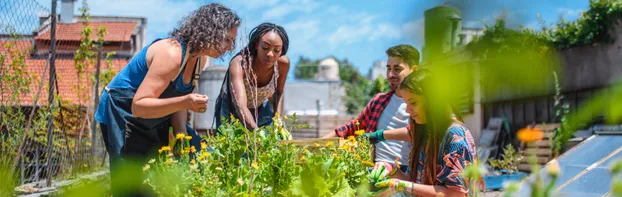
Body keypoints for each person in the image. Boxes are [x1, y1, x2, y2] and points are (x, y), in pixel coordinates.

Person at [93, 3, 240, 196]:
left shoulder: (199, 61)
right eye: (227, 40)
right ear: (211, 30)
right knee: (132, 187)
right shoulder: (172, 54)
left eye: (232, 42)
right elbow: (139, 106)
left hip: (154, 115)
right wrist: (186, 102)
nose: (230, 47)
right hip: (123, 113)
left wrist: (181, 137)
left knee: (196, 156)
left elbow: (176, 99)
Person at [368, 69, 479, 197]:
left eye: (413, 103)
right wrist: (392, 170)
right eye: (406, 103)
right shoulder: (424, 133)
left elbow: (456, 194)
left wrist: (402, 185)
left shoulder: (456, 137)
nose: (408, 110)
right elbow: (416, 184)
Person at [323, 44, 420, 184]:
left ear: (414, 70)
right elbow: (353, 127)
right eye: (388, 69)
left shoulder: (422, 103)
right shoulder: (380, 101)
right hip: (374, 170)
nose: (391, 75)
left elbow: (421, 132)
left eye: (397, 69)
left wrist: (379, 135)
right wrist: (320, 142)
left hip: (406, 174)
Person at [214, 22, 290, 132]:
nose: (270, 54)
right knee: (232, 146)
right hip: (233, 109)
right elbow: (241, 105)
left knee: (272, 143)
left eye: (276, 50)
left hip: (260, 107)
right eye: (265, 47)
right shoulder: (240, 63)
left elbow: (278, 93)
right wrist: (257, 134)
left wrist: (278, 119)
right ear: (256, 45)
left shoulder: (283, 64)